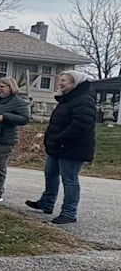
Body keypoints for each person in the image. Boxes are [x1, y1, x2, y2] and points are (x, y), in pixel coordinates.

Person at [26, 71, 96, 224]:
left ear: (74, 83)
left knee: (69, 179)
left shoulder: (84, 100)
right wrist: (50, 138)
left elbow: (81, 125)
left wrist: (60, 138)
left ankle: (69, 212)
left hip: (73, 148)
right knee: (50, 173)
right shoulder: (67, 99)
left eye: (64, 80)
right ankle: (47, 202)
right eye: (60, 80)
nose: (60, 83)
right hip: (58, 145)